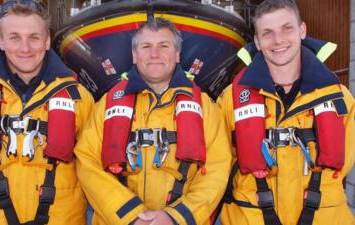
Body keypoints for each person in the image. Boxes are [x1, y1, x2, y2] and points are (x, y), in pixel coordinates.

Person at [75, 18, 232, 225]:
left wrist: (176, 217)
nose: (154, 54)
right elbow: (87, 162)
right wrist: (130, 215)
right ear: (134, 54)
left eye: (163, 46)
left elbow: (218, 168)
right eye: (146, 46)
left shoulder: (205, 107)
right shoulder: (106, 105)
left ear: (177, 54)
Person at [0, 1, 93, 224]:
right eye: (14, 37)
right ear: (0, 41)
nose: (25, 48)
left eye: (34, 37)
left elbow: (91, 166)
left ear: (47, 41)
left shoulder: (79, 98)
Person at [217, 0, 355, 224]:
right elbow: (218, 166)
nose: (278, 40)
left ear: (302, 30)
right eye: (267, 33)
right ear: (258, 42)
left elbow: (346, 162)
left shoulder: (341, 98)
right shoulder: (229, 100)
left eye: (286, 28)